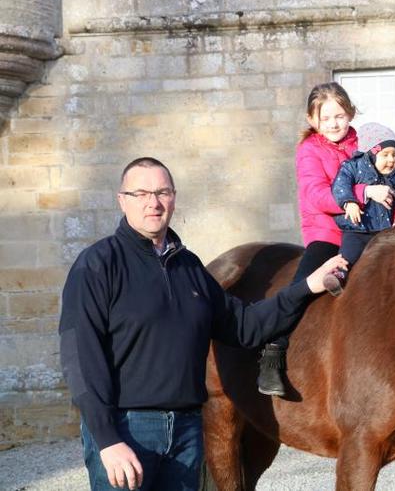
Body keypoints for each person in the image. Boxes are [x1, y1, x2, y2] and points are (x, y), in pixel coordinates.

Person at [59, 157, 347, 491]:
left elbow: (244, 326)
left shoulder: (189, 267)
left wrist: (307, 287)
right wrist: (107, 439)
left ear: (174, 198)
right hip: (128, 428)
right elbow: (80, 360)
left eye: (162, 192)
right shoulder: (98, 265)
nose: (153, 203)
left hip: (185, 432)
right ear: (122, 200)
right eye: (141, 194)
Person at [256, 82, 394, 396]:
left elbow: (388, 173)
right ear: (312, 119)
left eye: (340, 116)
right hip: (328, 234)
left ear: (350, 114)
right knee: (302, 285)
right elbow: (316, 195)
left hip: (371, 231)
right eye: (326, 117)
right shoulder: (310, 150)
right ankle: (273, 354)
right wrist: (363, 192)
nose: (334, 123)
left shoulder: (364, 143)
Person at [323, 122, 395, 295]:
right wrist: (349, 202)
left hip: (382, 231)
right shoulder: (352, 167)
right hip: (356, 229)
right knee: (349, 255)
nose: (392, 160)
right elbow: (340, 185)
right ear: (372, 154)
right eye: (386, 155)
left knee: (390, 258)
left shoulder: (394, 176)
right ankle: (338, 276)